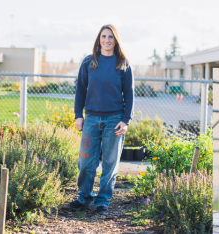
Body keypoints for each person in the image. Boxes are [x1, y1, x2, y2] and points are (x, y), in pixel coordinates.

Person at [69, 24, 134, 215]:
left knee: (109, 163)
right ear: (99, 39)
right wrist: (78, 116)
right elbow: (80, 90)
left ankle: (102, 202)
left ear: (116, 40)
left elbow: (129, 95)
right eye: (104, 36)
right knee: (86, 162)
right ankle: (84, 198)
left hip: (114, 120)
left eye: (110, 37)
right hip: (90, 119)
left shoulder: (123, 63)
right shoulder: (89, 62)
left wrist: (126, 120)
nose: (107, 40)